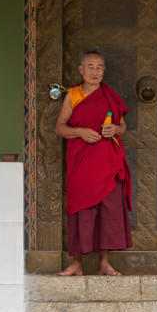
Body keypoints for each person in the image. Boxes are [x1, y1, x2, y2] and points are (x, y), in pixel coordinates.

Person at [55, 47, 132, 276]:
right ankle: (77, 263)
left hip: (108, 163)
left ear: (104, 70)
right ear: (81, 69)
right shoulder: (74, 95)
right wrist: (80, 132)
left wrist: (115, 129)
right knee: (80, 209)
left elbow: (123, 126)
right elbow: (59, 127)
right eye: (90, 67)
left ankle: (104, 263)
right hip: (82, 164)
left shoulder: (110, 96)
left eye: (99, 67)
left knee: (108, 212)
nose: (95, 72)